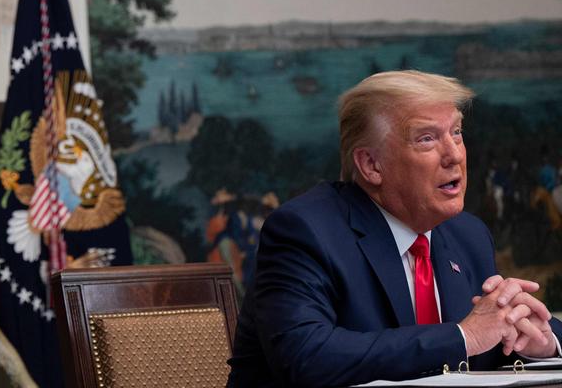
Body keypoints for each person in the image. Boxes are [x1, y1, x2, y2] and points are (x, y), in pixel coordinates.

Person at [228, 70, 562, 387]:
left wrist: (535, 342)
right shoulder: (305, 231)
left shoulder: (467, 234)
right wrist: (464, 336)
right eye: (427, 138)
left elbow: (489, 342)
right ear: (371, 165)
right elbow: (305, 356)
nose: (454, 155)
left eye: (457, 132)